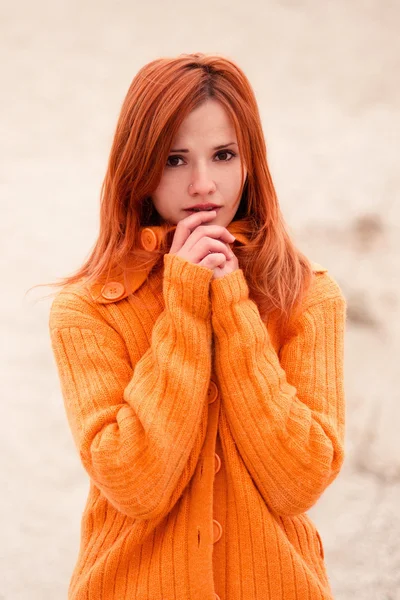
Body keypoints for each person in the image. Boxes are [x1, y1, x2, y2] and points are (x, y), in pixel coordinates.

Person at [48, 52, 347, 600]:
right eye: (175, 160)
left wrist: (232, 308)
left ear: (250, 161)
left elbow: (300, 481)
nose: (204, 185)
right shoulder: (88, 309)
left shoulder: (307, 297)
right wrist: (185, 306)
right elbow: (134, 484)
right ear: (137, 169)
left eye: (224, 155)